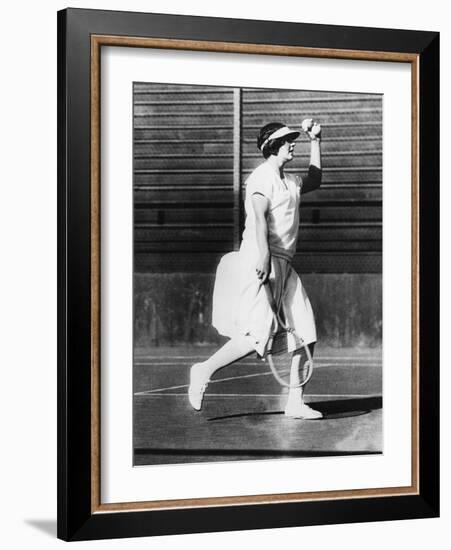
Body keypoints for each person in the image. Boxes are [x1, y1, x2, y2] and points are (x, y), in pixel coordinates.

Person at [188, 120, 323, 419]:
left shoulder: (290, 182)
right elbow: (261, 220)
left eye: (293, 139)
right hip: (260, 259)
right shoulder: (260, 178)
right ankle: (203, 370)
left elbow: (315, 180)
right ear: (273, 146)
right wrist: (263, 257)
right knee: (257, 335)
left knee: (305, 331)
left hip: (285, 263)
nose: (293, 143)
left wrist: (317, 140)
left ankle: (295, 402)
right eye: (288, 140)